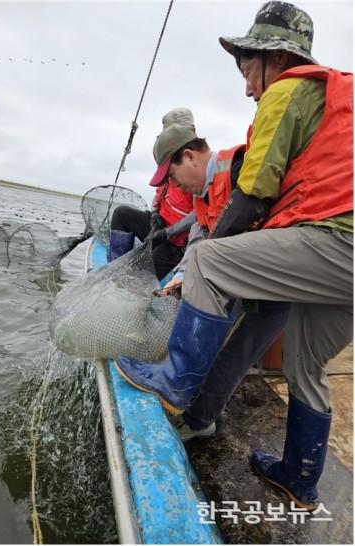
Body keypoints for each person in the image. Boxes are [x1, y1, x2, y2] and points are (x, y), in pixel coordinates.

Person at [115, 1, 353, 511]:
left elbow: (253, 195)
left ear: (275, 59)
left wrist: (202, 266)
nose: (248, 87)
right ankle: (300, 478)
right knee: (304, 363)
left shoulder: (289, 91)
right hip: (336, 261)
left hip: (337, 244)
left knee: (207, 262)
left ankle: (173, 385)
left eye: (248, 70)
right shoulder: (337, 104)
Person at [108, 107, 196, 281]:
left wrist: (168, 232)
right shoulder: (169, 155)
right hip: (158, 225)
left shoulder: (197, 165)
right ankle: (113, 268)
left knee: (138, 276)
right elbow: (160, 192)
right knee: (121, 214)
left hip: (176, 241)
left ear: (190, 132)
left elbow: (199, 215)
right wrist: (155, 213)